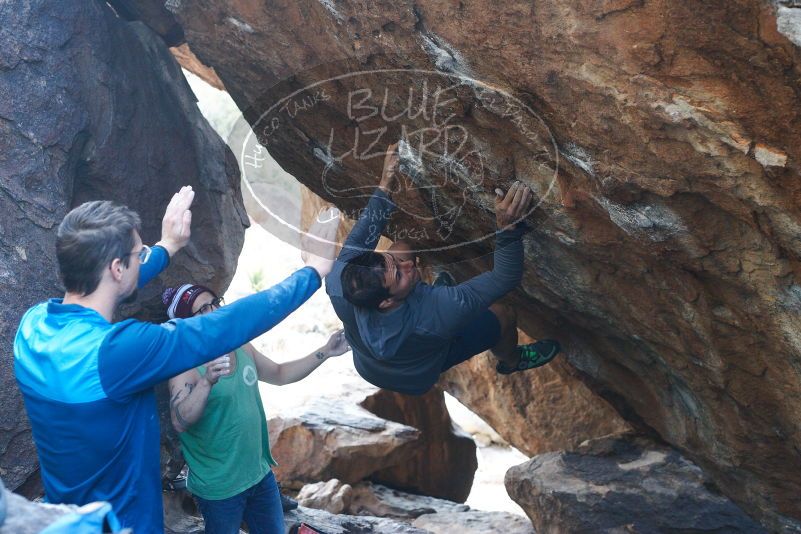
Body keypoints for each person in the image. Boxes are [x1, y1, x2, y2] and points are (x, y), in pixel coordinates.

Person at [13, 186, 340, 533]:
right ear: (117, 268)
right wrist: (312, 272)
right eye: (140, 254)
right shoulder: (119, 352)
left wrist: (168, 246)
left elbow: (107, 285)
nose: (145, 258)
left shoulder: (32, 328)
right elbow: (224, 325)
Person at [326, 143, 561, 395]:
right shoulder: (438, 313)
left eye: (390, 261)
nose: (409, 265)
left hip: (368, 364)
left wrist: (385, 183)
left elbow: (365, 233)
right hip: (416, 372)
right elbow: (504, 278)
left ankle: (404, 283)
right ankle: (512, 361)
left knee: (402, 247)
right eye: (399, 274)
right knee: (503, 315)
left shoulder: (341, 283)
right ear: (385, 303)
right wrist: (507, 230)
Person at [162, 285, 350, 534]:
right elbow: (180, 421)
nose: (214, 311)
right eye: (201, 310)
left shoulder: (240, 345)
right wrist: (206, 382)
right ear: (185, 322)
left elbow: (280, 374)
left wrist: (325, 352)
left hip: (259, 477)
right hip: (220, 489)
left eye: (214, 302)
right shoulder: (184, 365)